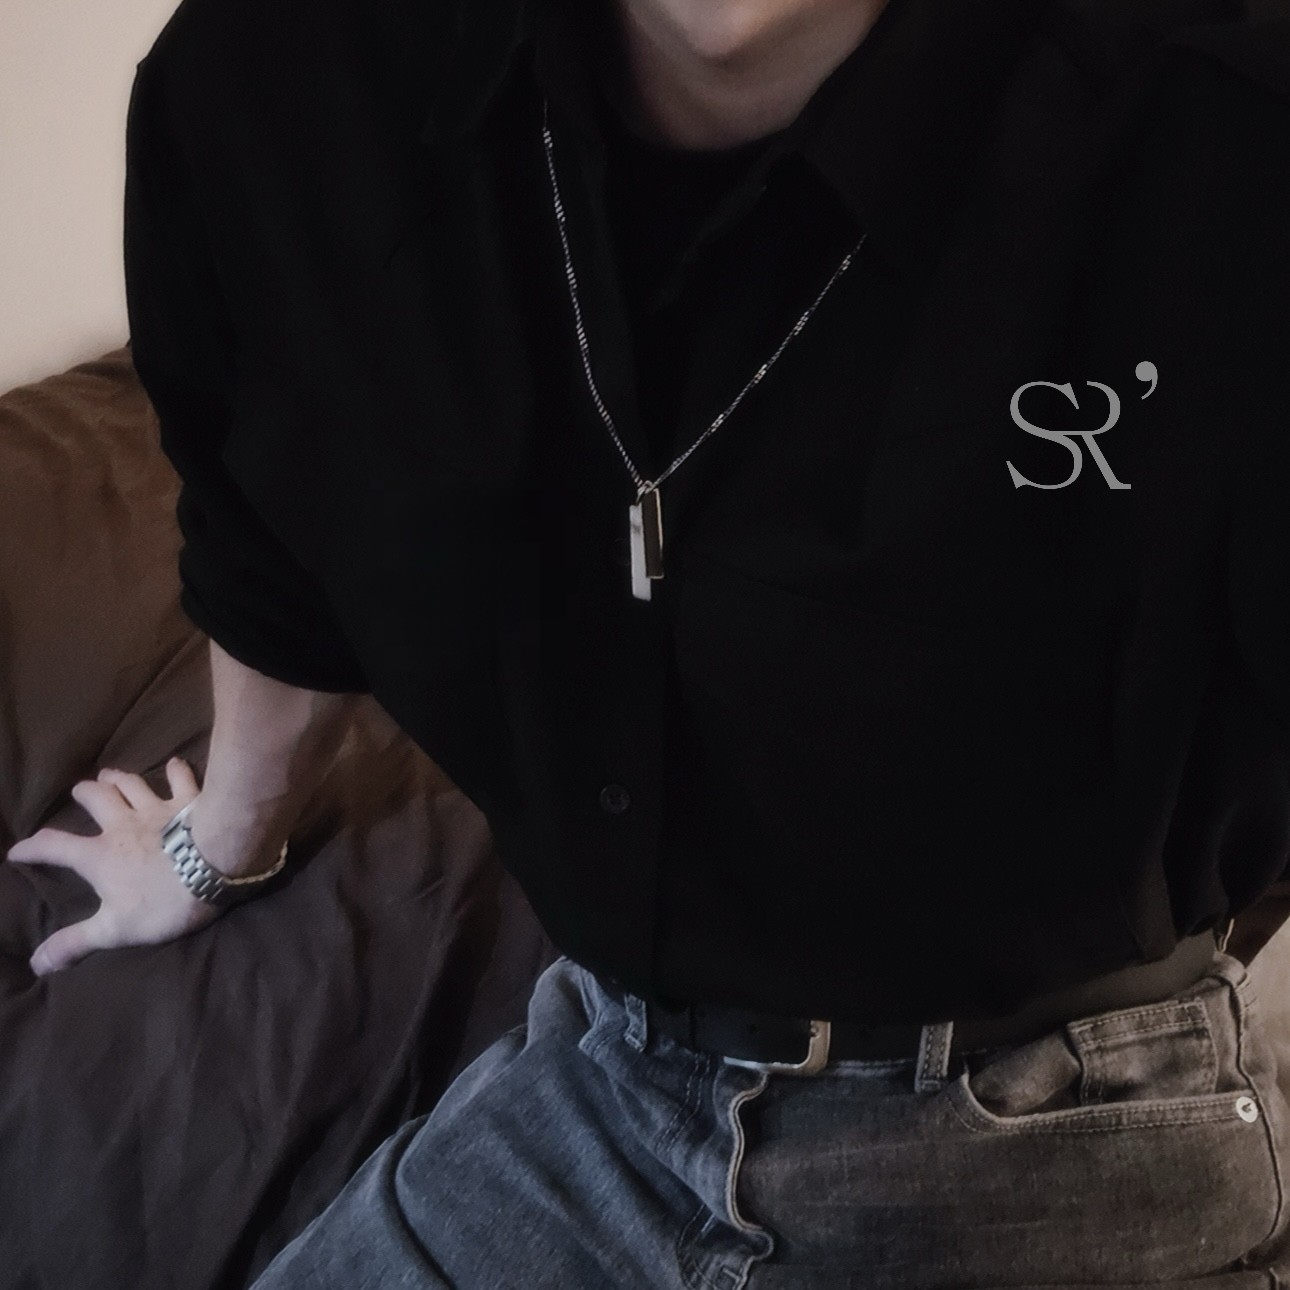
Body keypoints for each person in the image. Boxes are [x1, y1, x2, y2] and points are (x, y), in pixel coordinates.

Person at [9, 0, 1290, 1282]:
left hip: (1073, 1136)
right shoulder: (273, 94)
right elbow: (271, 543)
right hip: (606, 1088)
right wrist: (218, 842)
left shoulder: (1230, 130)